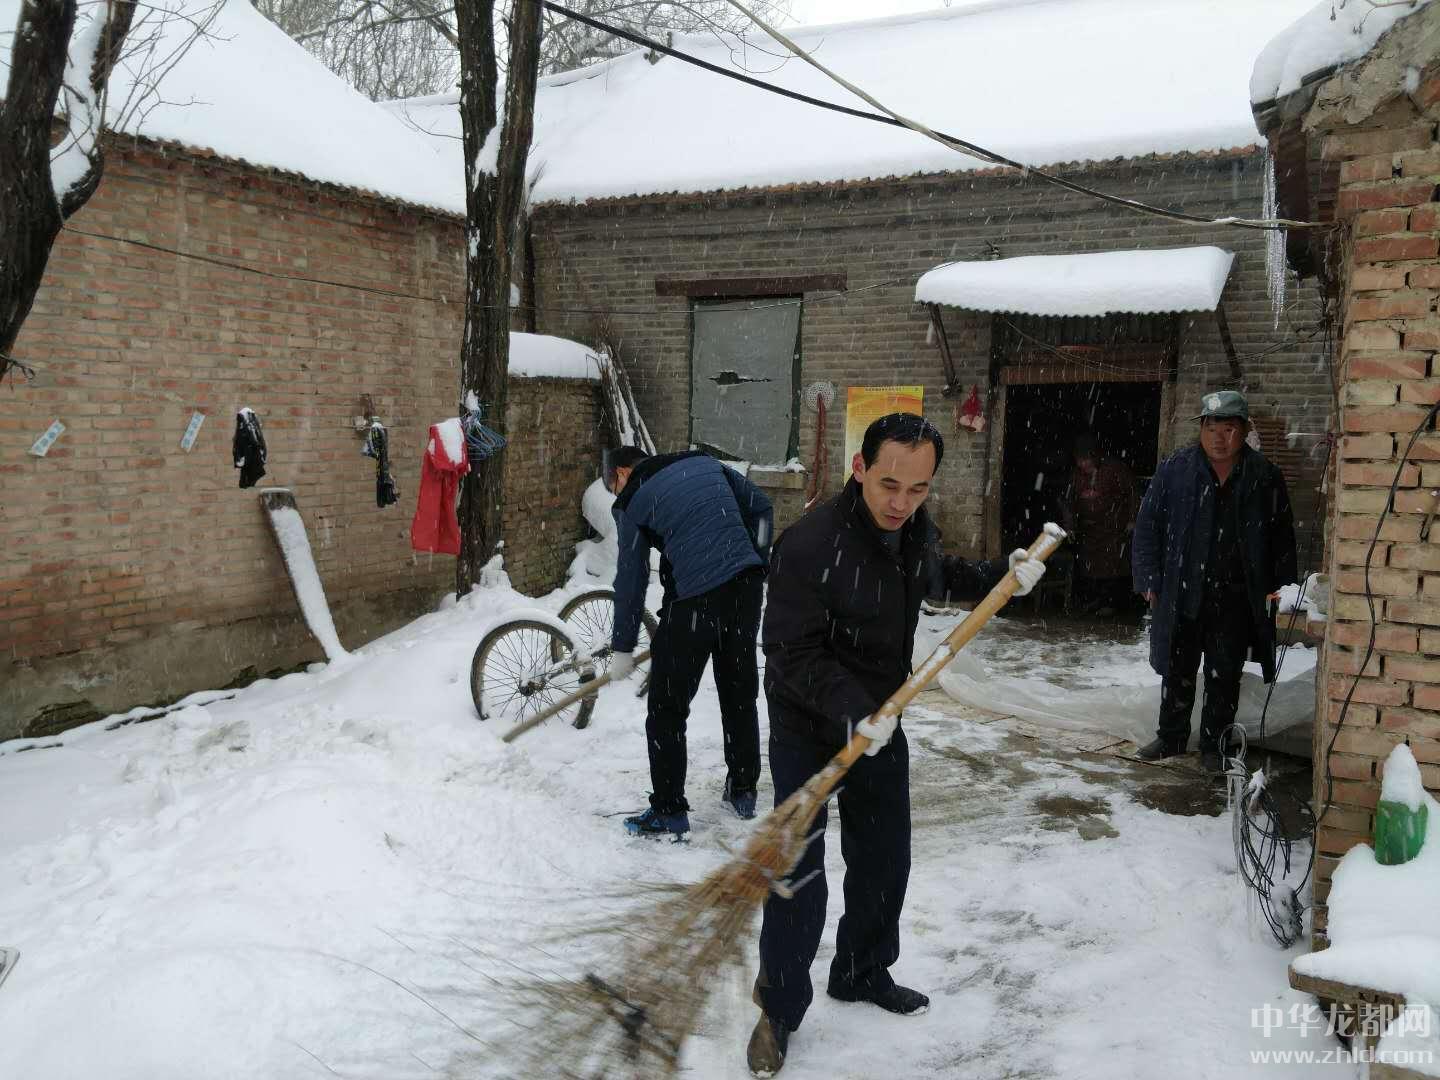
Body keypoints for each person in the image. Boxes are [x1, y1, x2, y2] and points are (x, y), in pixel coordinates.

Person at [746, 413, 1047, 1077]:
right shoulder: (808, 545)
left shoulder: (911, 531)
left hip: (884, 713)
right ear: (859, 468)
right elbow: (790, 651)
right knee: (798, 870)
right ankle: (779, 1008)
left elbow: (934, 574)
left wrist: (1001, 575)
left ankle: (860, 971)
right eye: (889, 485)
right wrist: (852, 710)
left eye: (917, 489)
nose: (900, 503)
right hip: (808, 722)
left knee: (885, 856)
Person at [605, 446, 774, 839]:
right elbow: (762, 507)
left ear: (623, 473)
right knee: (738, 690)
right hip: (745, 589)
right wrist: (756, 560)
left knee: (667, 707)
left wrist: (623, 646)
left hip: (696, 601)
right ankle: (743, 789)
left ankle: (668, 811)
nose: (615, 492)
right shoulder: (704, 463)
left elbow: (631, 578)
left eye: (612, 484)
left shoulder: (633, 501)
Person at [1130, 391, 1296, 775]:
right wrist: (1149, 577)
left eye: (1229, 429)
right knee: (1177, 668)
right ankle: (1171, 737)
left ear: (1244, 430)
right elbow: (1148, 526)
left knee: (1224, 674)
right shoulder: (1176, 470)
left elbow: (1281, 539)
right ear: (1201, 429)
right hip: (1182, 591)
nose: (1219, 438)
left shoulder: (1263, 476)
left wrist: (1283, 589)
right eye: (1211, 428)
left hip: (1236, 596)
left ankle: (1213, 746)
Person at [1064, 433, 1139, 615]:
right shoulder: (1077, 475)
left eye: (1086, 459)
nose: (1083, 464)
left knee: (1112, 566)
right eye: (1079, 460)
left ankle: (1110, 603)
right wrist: (1070, 526)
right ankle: (1094, 601)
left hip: (1113, 529)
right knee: (1088, 567)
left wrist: (1132, 519)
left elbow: (1132, 493)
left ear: (1095, 456)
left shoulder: (1114, 469)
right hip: (1089, 530)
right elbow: (1069, 502)